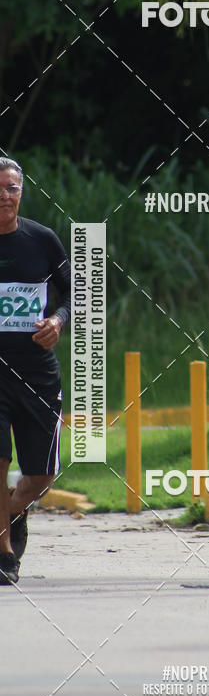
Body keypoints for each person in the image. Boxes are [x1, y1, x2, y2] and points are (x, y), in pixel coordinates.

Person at [0, 157, 71, 585]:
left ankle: (12, 508)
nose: (3, 196)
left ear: (21, 192)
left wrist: (58, 321)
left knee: (42, 476)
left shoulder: (41, 240)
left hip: (36, 370)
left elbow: (75, 291)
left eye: (10, 187)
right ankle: (4, 553)